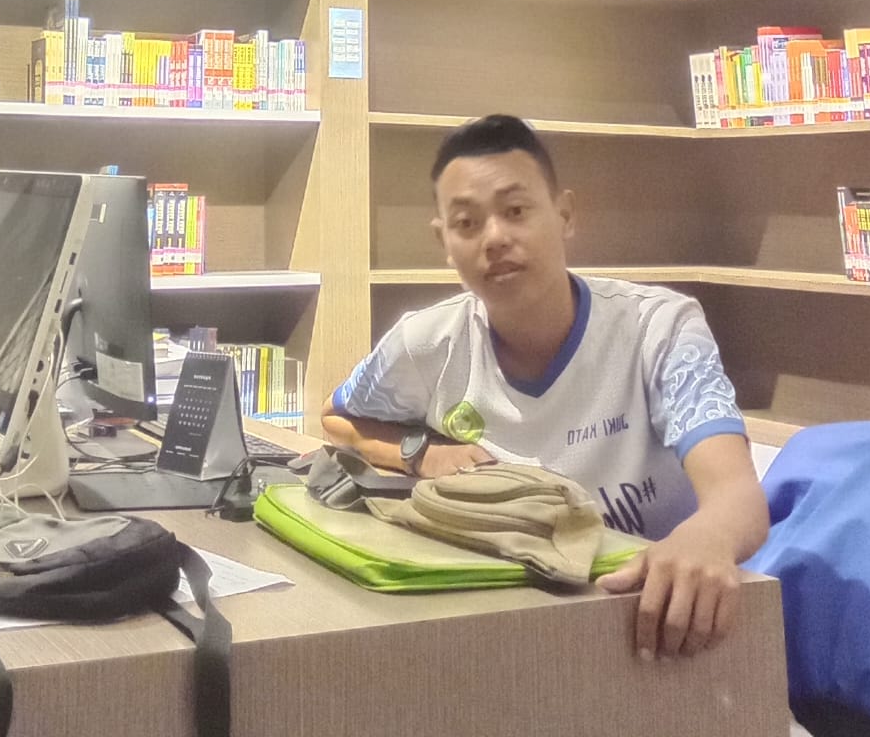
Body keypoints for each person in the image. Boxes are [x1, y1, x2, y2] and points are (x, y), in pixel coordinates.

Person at [323, 113, 768, 660]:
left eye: (515, 211)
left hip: (650, 623)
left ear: (564, 215)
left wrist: (708, 538)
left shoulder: (659, 328)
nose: (494, 238)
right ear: (444, 242)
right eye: (466, 223)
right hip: (493, 624)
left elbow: (738, 495)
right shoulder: (425, 343)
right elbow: (337, 418)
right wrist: (420, 454)